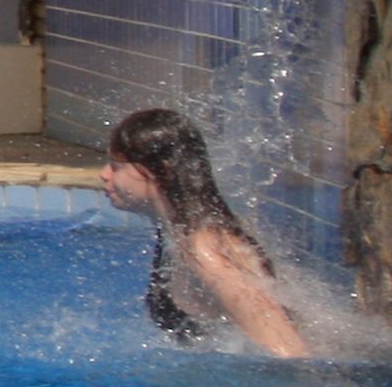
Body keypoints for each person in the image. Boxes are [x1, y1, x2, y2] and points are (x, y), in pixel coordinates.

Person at [101, 108, 309, 358]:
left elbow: (288, 349)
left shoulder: (204, 250)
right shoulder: (175, 230)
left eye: (116, 167)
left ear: (162, 171)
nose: (104, 174)